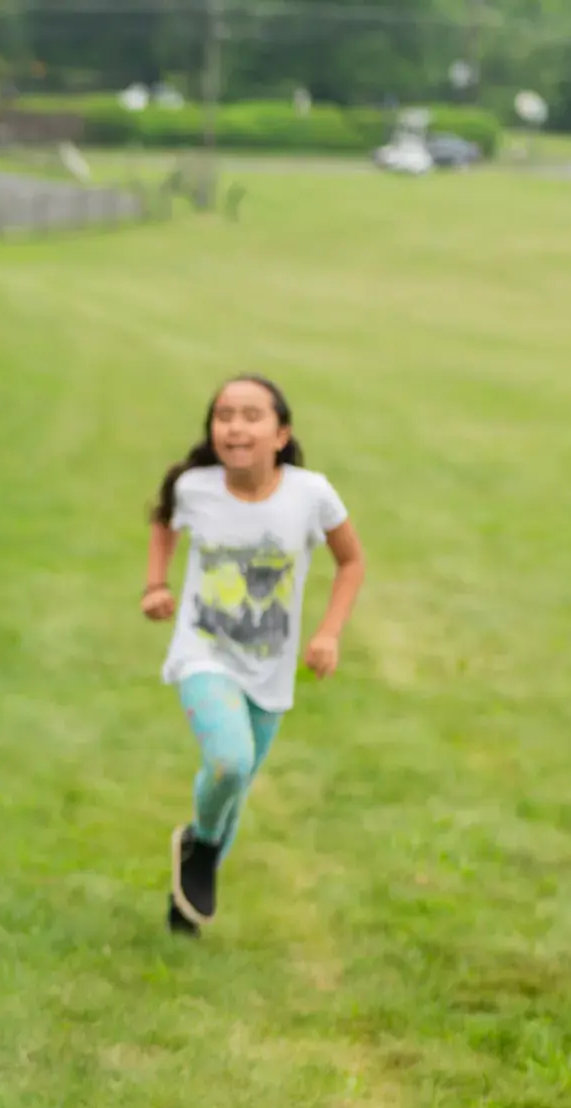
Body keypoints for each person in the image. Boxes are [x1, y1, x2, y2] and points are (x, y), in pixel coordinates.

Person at [140, 374, 366, 936]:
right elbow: (163, 520)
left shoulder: (311, 494)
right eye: (223, 415)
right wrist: (155, 585)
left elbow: (352, 561)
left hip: (270, 666)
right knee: (230, 761)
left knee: (234, 787)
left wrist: (329, 633)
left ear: (281, 434)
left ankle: (189, 894)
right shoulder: (195, 487)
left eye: (251, 415)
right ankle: (202, 847)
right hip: (203, 652)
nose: (235, 426)